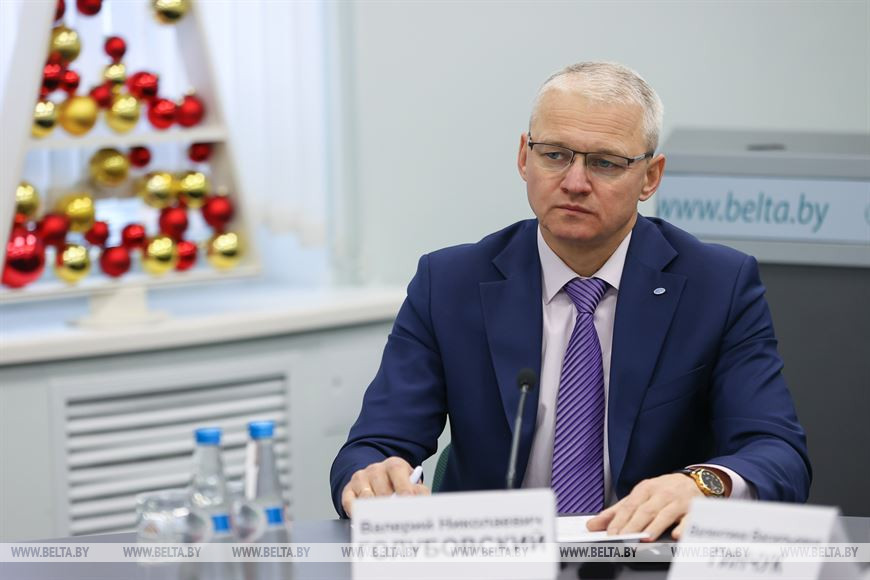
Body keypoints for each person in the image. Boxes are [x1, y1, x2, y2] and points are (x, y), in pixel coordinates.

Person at [330, 61, 811, 540]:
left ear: (650, 176)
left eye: (605, 163)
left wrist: (702, 484)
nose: (575, 182)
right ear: (524, 157)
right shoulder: (450, 283)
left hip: (648, 557)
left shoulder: (717, 286)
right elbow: (374, 445)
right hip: (494, 559)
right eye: (555, 155)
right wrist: (374, 478)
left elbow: (777, 451)